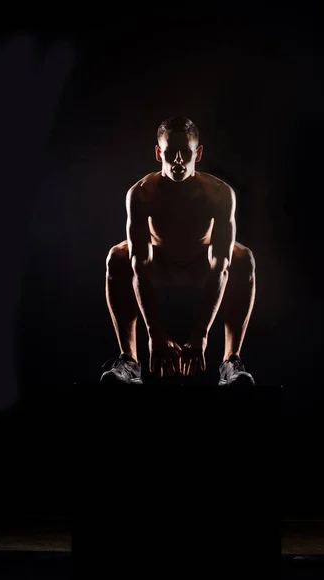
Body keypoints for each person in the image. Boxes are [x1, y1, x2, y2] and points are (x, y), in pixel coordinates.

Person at [101, 116, 256, 386]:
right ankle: (129, 360)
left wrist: (201, 334)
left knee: (243, 257)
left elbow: (221, 265)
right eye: (171, 153)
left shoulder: (220, 194)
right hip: (160, 266)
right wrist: (155, 333)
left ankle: (231, 362)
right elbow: (140, 264)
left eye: (185, 153)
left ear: (198, 152)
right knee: (117, 256)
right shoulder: (141, 194)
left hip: (201, 266)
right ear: (159, 152)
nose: (178, 161)